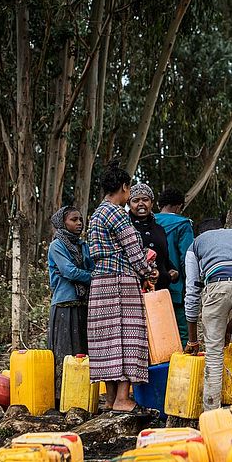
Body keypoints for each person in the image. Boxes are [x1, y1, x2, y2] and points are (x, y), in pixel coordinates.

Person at [85, 166, 156, 412]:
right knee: (127, 337)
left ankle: (110, 399)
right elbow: (135, 253)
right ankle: (123, 399)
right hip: (120, 281)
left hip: (99, 283)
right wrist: (149, 272)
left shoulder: (96, 214)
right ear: (124, 187)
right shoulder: (117, 213)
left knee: (106, 340)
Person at [184, 216, 232, 411]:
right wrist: (229, 329)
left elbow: (192, 293)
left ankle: (212, 416)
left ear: (201, 234)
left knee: (213, 355)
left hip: (217, 284)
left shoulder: (196, 245)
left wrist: (192, 340)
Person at [47, 205, 92, 386]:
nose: (79, 223)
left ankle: (81, 392)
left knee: (81, 351)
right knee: (64, 351)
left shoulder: (83, 246)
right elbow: (69, 271)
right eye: (74, 220)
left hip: (83, 303)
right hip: (64, 304)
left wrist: (88, 274)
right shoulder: (56, 245)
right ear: (62, 223)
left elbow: (90, 266)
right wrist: (94, 277)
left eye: (80, 219)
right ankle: (61, 394)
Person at [155, 189, 195, 337]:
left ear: (159, 205)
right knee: (181, 330)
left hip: (150, 285)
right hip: (175, 286)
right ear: (179, 207)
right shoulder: (183, 224)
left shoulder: (148, 222)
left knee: (155, 330)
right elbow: (187, 258)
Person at [128, 182, 178, 291]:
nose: (141, 204)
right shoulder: (126, 229)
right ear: (129, 204)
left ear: (152, 203)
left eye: (145, 200)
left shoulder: (159, 230)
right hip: (134, 291)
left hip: (160, 291)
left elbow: (164, 258)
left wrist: (172, 272)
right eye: (135, 200)